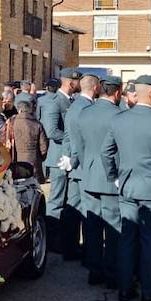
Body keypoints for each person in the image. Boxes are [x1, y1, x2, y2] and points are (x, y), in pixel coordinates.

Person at [101, 79, 151, 301]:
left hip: (127, 187)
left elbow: (105, 153)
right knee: (150, 242)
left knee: (127, 238)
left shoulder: (119, 119)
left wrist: (114, 178)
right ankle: (149, 291)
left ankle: (125, 288)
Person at [70, 77, 124, 287]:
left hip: (89, 174)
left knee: (92, 225)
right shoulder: (119, 115)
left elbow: (79, 146)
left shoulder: (85, 113)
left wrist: (87, 167)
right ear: (117, 93)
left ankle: (94, 269)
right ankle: (110, 271)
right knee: (113, 227)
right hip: (111, 177)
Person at [40, 68, 80, 259]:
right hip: (58, 159)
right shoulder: (55, 102)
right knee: (56, 202)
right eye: (77, 81)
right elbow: (51, 131)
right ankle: (51, 240)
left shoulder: (70, 101)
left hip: (67, 157)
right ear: (71, 83)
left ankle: (63, 240)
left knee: (66, 202)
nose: (79, 84)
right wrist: (72, 139)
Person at [63, 74, 100, 264]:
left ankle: (70, 248)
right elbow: (80, 139)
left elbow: (68, 136)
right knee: (87, 211)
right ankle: (87, 252)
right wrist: (76, 160)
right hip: (83, 165)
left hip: (75, 165)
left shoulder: (75, 105)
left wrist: (67, 157)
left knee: (75, 208)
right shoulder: (85, 108)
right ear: (95, 88)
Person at [5, 94, 48, 181]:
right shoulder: (37, 124)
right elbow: (44, 147)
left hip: (16, 161)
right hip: (34, 162)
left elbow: (5, 140)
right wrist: (40, 158)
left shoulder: (11, 122)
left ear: (19, 110)